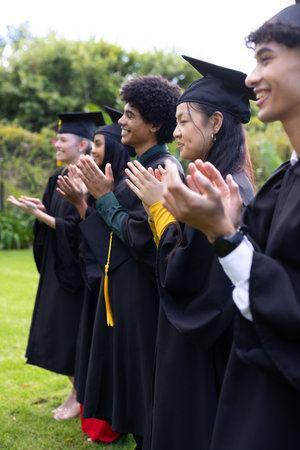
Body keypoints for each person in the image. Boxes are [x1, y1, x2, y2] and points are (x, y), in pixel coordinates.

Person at [158, 2, 300, 448]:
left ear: (216, 123)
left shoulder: (245, 186)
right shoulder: (283, 180)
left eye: (265, 59)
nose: (251, 77)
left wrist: (221, 234)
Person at [125, 56, 255, 450]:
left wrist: (158, 209)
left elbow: (187, 278)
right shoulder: (224, 180)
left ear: (215, 123)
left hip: (203, 354)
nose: (176, 132)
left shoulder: (226, 192)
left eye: (184, 120)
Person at [75, 76, 183, 450]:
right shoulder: (140, 165)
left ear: (154, 124)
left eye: (129, 114)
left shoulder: (161, 168)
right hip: (125, 295)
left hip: (143, 298)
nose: (121, 120)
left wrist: (104, 198)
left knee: (145, 384)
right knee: (133, 384)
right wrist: (89, 201)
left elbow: (141, 238)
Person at [7, 111, 104, 421]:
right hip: (57, 264)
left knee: (72, 332)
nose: (56, 144)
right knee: (58, 329)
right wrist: (40, 209)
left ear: (84, 145)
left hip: (78, 269)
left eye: (62, 140)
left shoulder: (92, 181)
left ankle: (79, 395)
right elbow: (58, 219)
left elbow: (80, 227)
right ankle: (74, 391)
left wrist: (41, 216)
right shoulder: (56, 178)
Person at [56, 106, 131, 443]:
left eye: (99, 144)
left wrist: (87, 203)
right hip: (97, 279)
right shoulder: (108, 185)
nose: (94, 150)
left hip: (114, 283)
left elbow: (118, 241)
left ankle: (108, 424)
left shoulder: (126, 187)